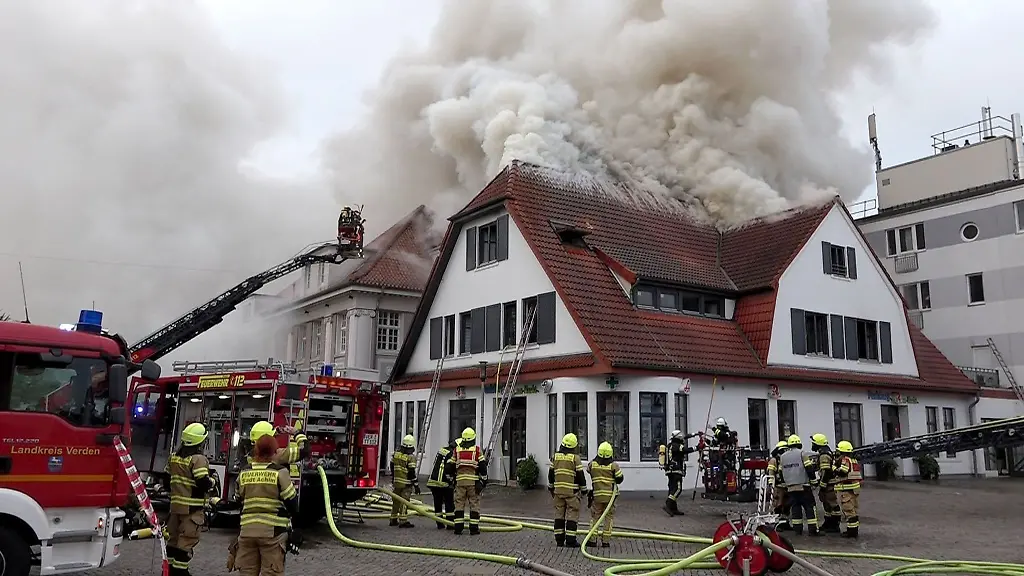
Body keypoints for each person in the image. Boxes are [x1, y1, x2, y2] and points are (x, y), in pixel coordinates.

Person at [231, 434, 300, 576]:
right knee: (271, 572)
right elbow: (292, 502)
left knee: (247, 572)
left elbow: (238, 499)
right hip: (273, 533)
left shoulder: (244, 472)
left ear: (256, 450)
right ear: (274, 451)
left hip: (247, 532)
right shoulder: (280, 472)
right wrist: (296, 530)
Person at [165, 422, 214, 576]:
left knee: (172, 541)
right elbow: (202, 482)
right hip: (192, 510)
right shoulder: (198, 459)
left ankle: (168, 571)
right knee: (186, 542)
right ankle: (180, 572)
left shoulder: (174, 458)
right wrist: (212, 482)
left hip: (175, 508)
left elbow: (167, 480)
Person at [548, 433, 587, 548]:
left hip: (558, 492)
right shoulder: (575, 458)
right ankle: (570, 541)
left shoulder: (555, 457)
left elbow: (551, 474)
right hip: (572, 493)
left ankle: (559, 540)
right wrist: (584, 490)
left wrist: (551, 487)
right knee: (572, 515)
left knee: (559, 515)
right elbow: (580, 475)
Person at [447, 427, 488, 535]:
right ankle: (473, 529)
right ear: (473, 439)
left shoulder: (457, 450)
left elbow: (451, 466)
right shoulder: (477, 451)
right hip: (473, 483)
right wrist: (483, 481)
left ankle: (458, 528)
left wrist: (452, 478)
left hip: (460, 483)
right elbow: (483, 467)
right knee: (474, 504)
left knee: (459, 504)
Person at [778, 435, 819, 536]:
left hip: (791, 488)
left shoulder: (783, 457)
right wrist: (814, 481)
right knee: (810, 507)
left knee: (795, 508)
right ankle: (813, 530)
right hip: (804, 486)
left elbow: (780, 472)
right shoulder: (802, 454)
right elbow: (809, 468)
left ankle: (797, 530)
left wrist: (785, 483)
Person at [586, 441, 624, 548]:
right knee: (608, 518)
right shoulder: (613, 466)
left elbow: (588, 470)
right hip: (610, 497)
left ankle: (592, 540)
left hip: (597, 496)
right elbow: (620, 479)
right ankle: (605, 541)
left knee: (595, 517)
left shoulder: (593, 464)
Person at [661, 429, 696, 516]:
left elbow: (685, 437)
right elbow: (686, 450)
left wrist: (694, 434)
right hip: (676, 471)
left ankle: (673, 509)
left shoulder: (671, 445)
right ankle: (668, 504)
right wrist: (697, 447)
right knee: (678, 489)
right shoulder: (677, 446)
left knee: (672, 489)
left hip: (669, 471)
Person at [810, 433, 840, 533]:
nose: (812, 445)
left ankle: (835, 525)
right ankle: (828, 523)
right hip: (828, 483)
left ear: (818, 444)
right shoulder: (825, 452)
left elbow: (826, 471)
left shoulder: (824, 455)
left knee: (832, 504)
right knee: (827, 504)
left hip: (829, 484)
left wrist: (822, 486)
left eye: (813, 443)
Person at [832, 440, 862, 539]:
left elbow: (842, 472)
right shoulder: (853, 460)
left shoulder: (845, 460)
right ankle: (853, 530)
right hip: (854, 489)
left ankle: (851, 532)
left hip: (847, 490)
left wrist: (833, 468)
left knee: (848, 510)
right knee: (853, 510)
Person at [390, 434, 420, 528]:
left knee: (396, 500)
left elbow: (392, 466)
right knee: (404, 501)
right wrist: (416, 485)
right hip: (406, 484)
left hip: (397, 482)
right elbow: (411, 472)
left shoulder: (396, 454)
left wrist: (393, 477)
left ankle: (393, 519)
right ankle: (403, 521)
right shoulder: (410, 457)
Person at [427, 439, 458, 529]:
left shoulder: (442, 450)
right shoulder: (452, 453)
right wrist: (452, 480)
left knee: (438, 504)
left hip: (433, 481)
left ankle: (439, 524)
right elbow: (450, 468)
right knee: (449, 504)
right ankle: (450, 524)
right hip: (444, 483)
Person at [766, 440, 791, 531]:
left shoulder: (785, 460)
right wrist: (771, 485)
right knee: (778, 506)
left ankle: (785, 523)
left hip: (786, 487)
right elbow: (771, 473)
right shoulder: (774, 460)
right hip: (778, 487)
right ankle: (776, 524)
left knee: (787, 506)